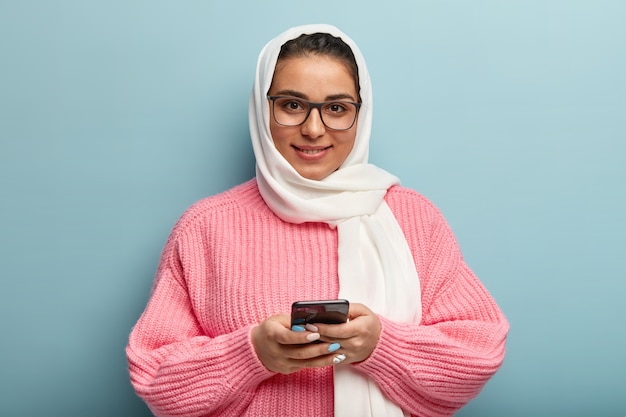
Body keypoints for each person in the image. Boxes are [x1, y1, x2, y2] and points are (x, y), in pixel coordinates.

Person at [126, 24, 509, 417]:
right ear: (262, 107)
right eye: (292, 105)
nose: (313, 129)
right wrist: (252, 353)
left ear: (362, 113)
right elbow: (155, 378)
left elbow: (477, 356)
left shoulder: (414, 219)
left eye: (337, 108)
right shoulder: (205, 228)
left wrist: (381, 346)